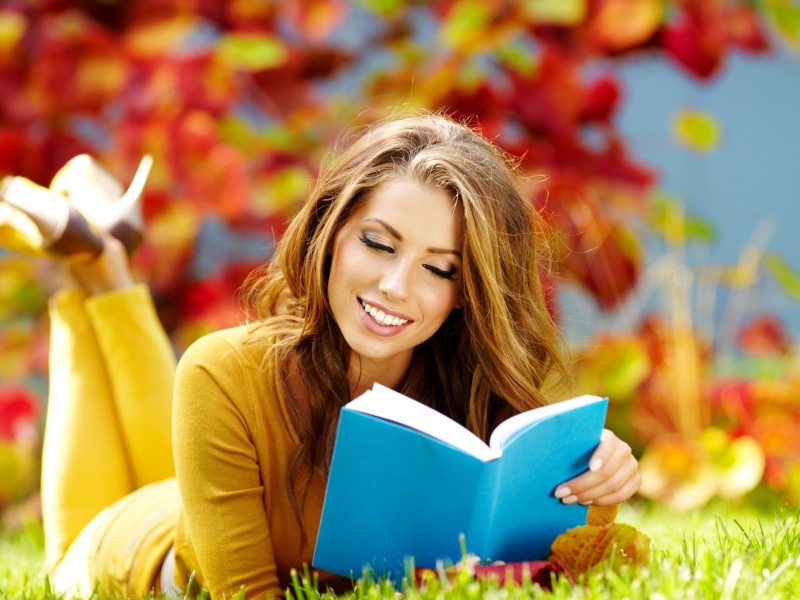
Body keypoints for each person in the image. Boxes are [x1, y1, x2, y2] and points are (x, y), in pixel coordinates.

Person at [0, 114, 640, 599]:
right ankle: (92, 268)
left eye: (439, 270)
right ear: (330, 232)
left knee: (174, 456)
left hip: (209, 497)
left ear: (468, 294)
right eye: (378, 243)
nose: (396, 287)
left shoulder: (475, 397)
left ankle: (99, 251)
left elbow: (562, 563)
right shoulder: (226, 372)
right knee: (70, 551)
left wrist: (600, 481)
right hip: (135, 548)